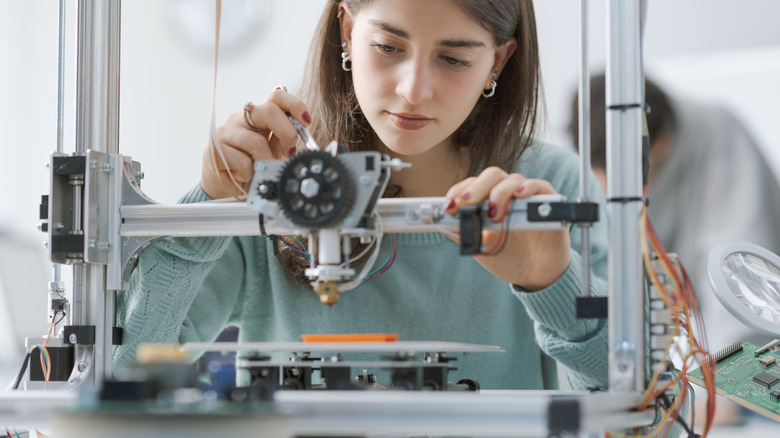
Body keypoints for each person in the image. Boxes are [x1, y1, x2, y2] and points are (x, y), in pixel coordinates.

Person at [114, 0, 610, 391]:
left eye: (454, 58)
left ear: (497, 60)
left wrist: (553, 286)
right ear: (348, 32)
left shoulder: (547, 191)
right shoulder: (273, 184)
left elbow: (650, 415)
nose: (414, 90)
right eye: (389, 47)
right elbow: (122, 376)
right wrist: (211, 203)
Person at [568, 73, 780, 350]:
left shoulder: (718, 136)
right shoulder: (585, 150)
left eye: (623, 175)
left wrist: (721, 387)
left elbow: (745, 283)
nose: (608, 189)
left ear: (661, 144)